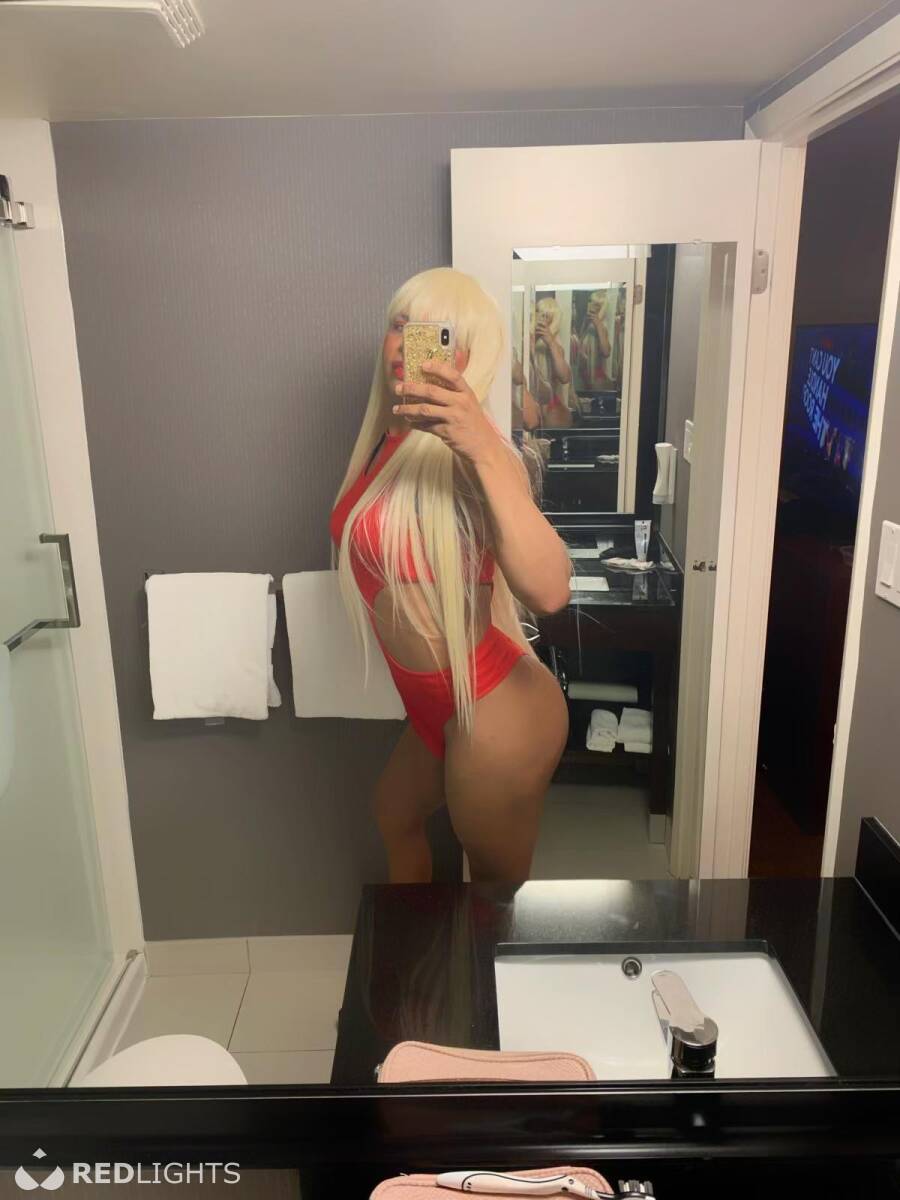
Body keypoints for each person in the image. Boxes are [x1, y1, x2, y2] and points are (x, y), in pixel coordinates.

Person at [330, 267, 571, 884]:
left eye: (435, 334)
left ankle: (479, 954)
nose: (406, 344)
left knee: (494, 897)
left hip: (497, 715)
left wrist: (483, 446)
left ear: (467, 357)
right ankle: (418, 951)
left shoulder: (476, 456)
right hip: (440, 707)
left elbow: (550, 591)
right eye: (400, 325)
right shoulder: (384, 445)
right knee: (395, 816)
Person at [530, 297, 574, 428]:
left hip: (550, 408)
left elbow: (564, 377)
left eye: (546, 316)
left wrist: (550, 342)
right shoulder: (526, 343)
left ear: (553, 320)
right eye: (538, 313)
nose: (540, 319)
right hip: (531, 405)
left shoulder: (555, 346)